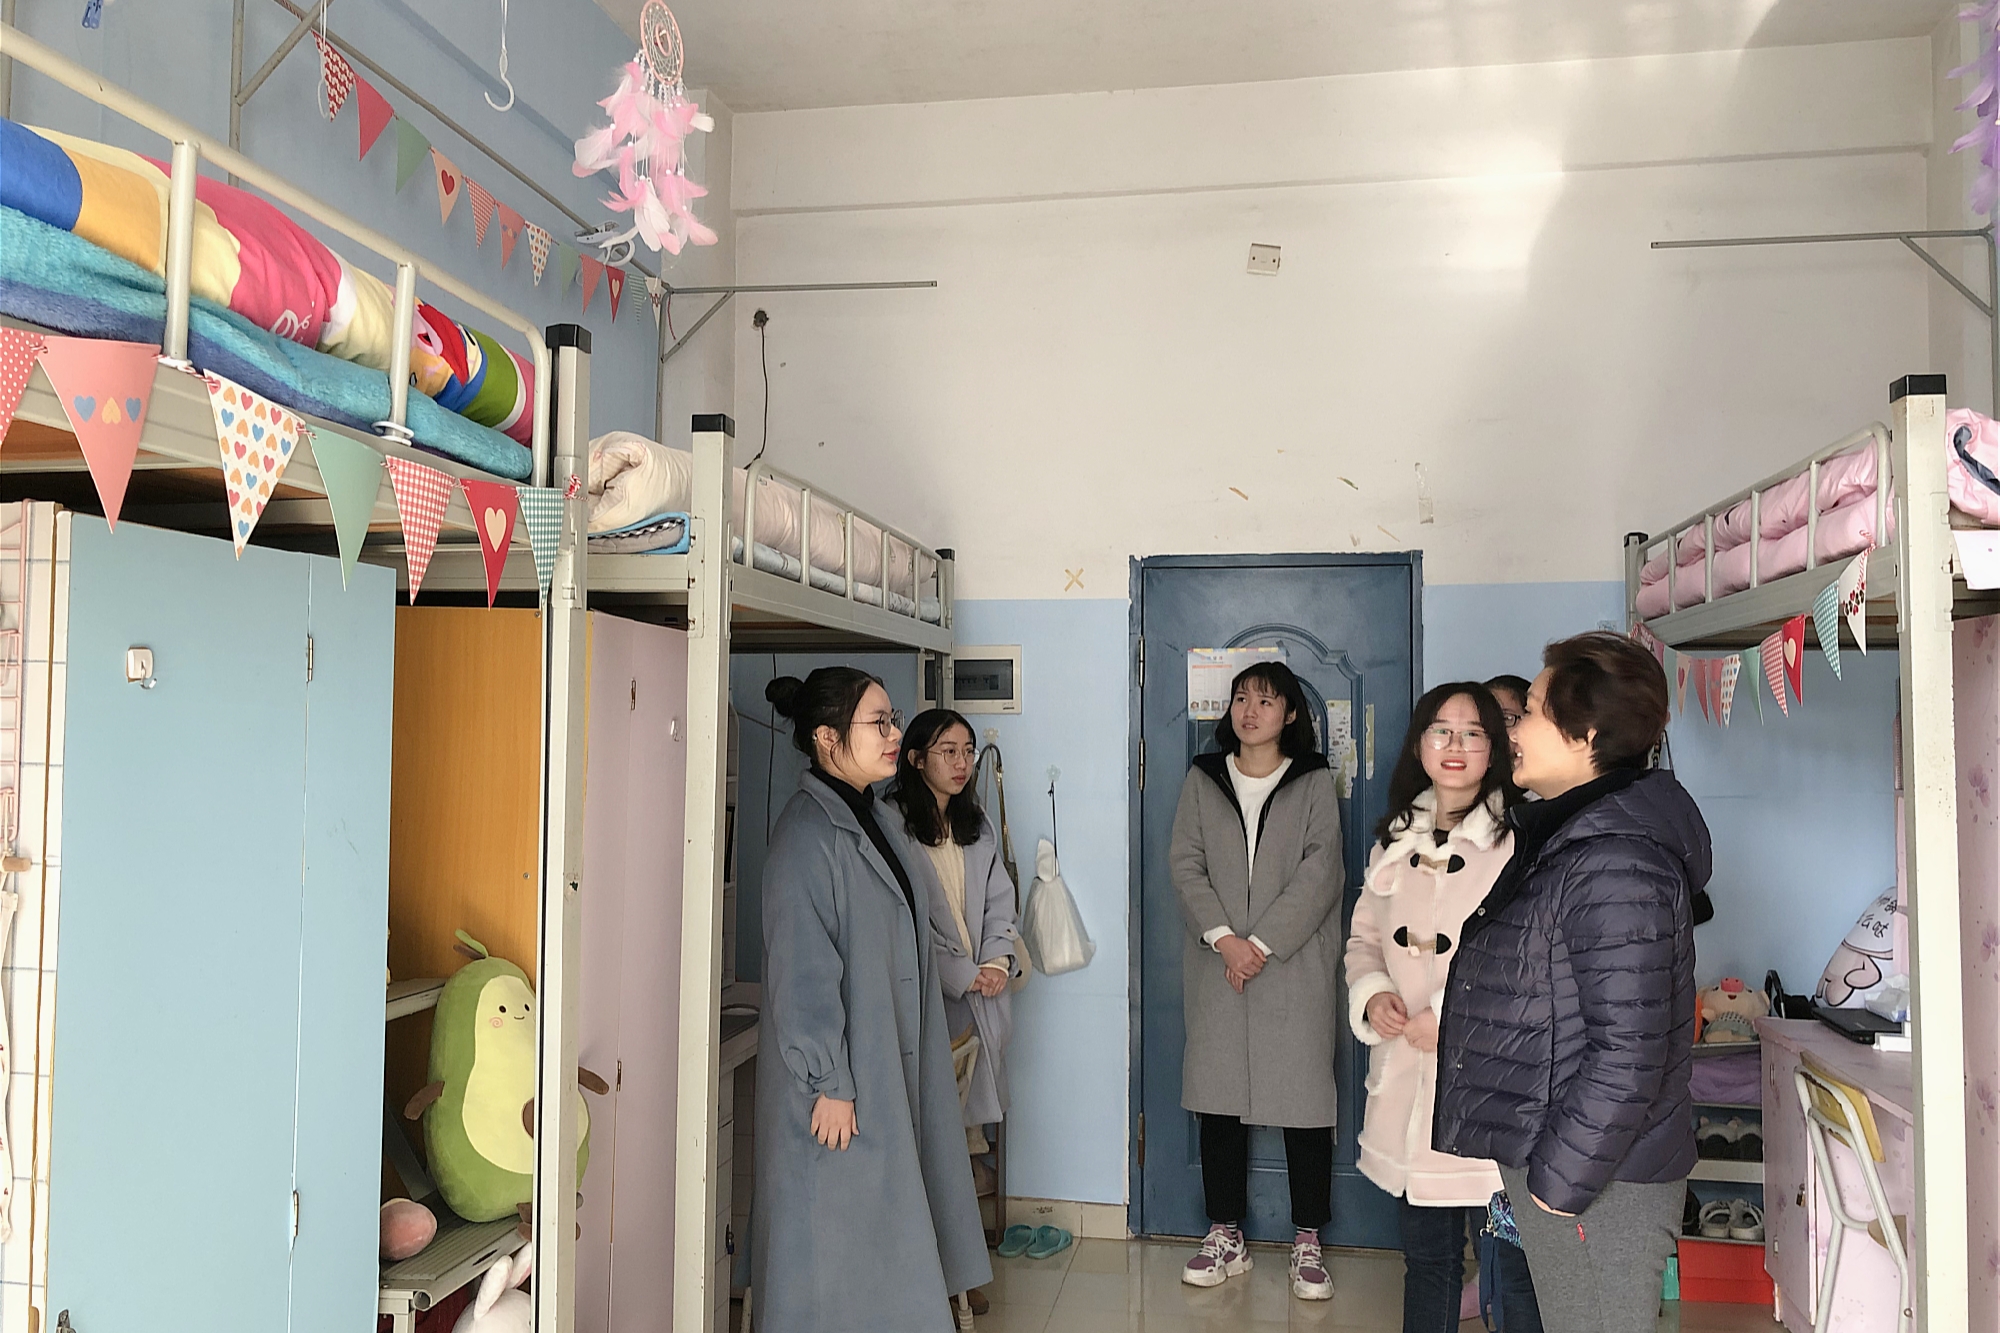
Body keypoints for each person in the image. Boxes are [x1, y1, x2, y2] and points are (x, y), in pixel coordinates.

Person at [1435, 632, 1709, 1333]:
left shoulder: (1617, 864)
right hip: (1578, 1164)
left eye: (1529, 711)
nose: (1513, 730)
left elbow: (1631, 1051)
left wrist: (1559, 1180)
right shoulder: (1577, 841)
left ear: (1585, 734)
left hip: (1598, 1179)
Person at [751, 669, 991, 1332]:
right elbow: (802, 971)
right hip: (838, 1084)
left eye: (893, 719)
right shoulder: (806, 836)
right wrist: (828, 1078)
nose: (893, 734)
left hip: (886, 1058)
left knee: (882, 1241)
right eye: (878, 722)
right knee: (836, 1248)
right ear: (827, 738)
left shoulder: (875, 815)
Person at [1345, 682, 1543, 1333]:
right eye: (1441, 729)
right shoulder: (1394, 841)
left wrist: (1447, 1013)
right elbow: (1364, 940)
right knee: (1428, 1260)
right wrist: (1373, 993)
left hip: (1489, 1086)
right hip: (1409, 1084)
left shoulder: (1519, 842)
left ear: (1495, 748)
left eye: (1473, 732)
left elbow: (1521, 958)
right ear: (1419, 745)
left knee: (1512, 1265)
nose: (1455, 744)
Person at [1168, 660, 1343, 1301]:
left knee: (1304, 1103)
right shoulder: (1203, 777)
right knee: (1217, 1101)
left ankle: (1307, 1239)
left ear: (1290, 714)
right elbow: (1184, 862)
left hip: (1289, 966)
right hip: (1219, 965)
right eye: (1242, 698)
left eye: (1266, 701)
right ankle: (1226, 1234)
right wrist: (1225, 939)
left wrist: (1260, 944)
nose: (1250, 710)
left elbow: (1322, 871)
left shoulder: (1313, 780)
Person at [887, 707, 1024, 1322]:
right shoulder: (892, 825)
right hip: (926, 1003)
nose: (963, 762)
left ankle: (963, 1274)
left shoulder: (978, 826)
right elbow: (909, 924)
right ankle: (934, 1280)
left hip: (978, 1000)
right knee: (928, 1148)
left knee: (964, 1147)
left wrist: (994, 960)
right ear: (916, 758)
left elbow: (999, 902)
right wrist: (963, 974)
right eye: (948, 750)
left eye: (968, 750)